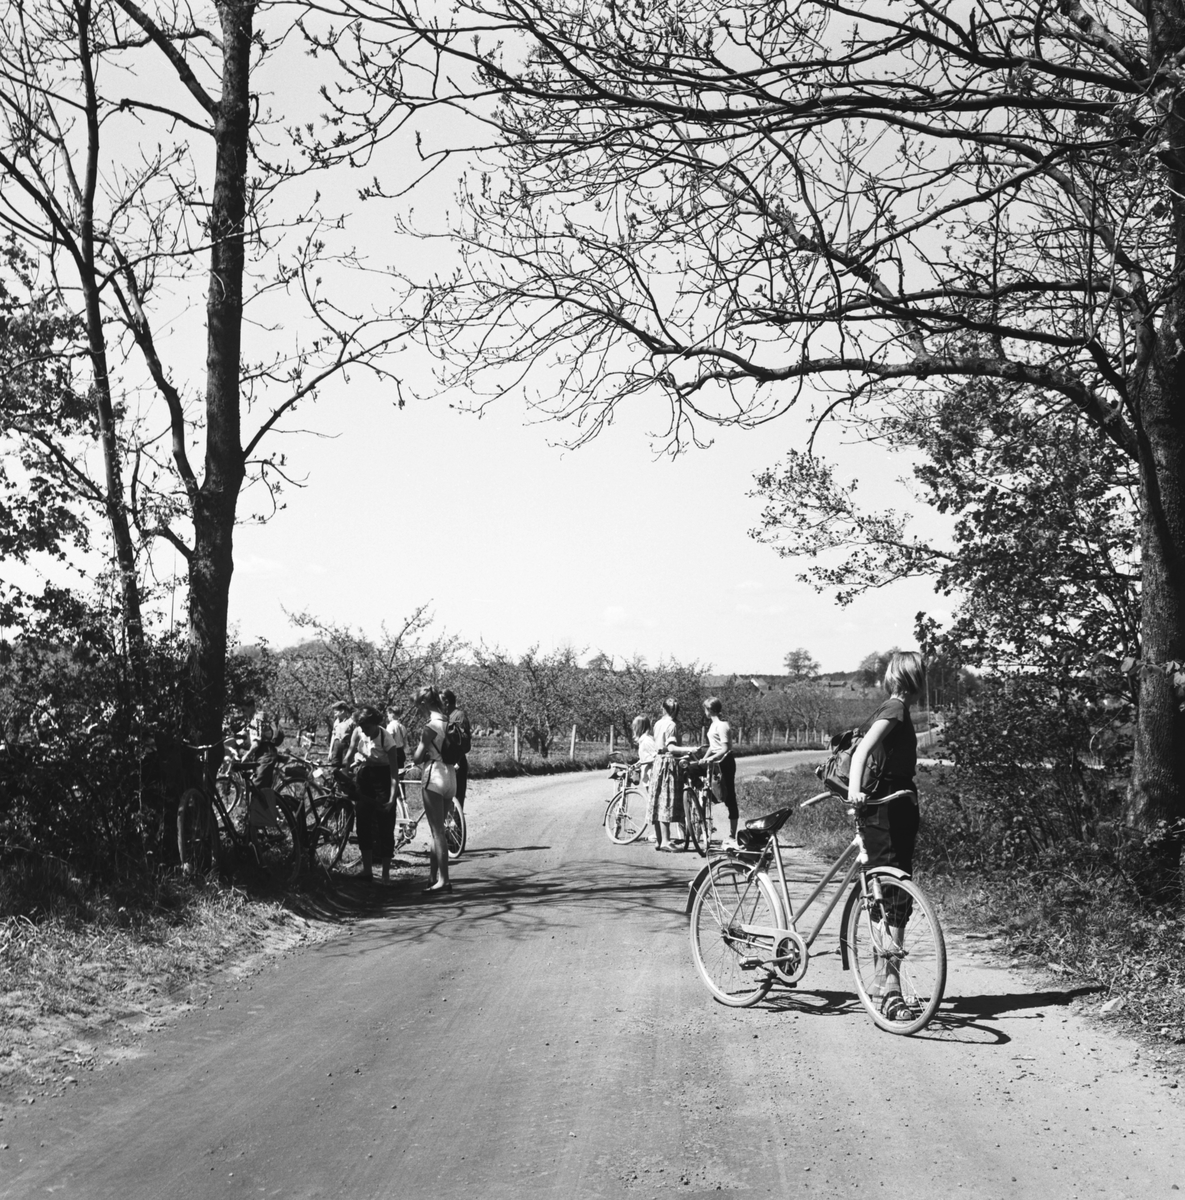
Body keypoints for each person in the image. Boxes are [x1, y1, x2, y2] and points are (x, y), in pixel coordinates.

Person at [847, 649, 926, 1020]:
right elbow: (863, 749)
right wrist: (854, 790)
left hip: (896, 806)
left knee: (892, 898)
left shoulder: (897, 709)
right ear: (913, 678)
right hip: (886, 810)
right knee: (891, 898)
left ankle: (883, 980)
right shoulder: (895, 709)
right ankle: (891, 988)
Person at [342, 705, 401, 883]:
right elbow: (349, 755)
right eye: (361, 727)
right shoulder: (358, 732)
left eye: (367, 727)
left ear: (375, 724)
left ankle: (385, 874)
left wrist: (392, 798)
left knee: (385, 825)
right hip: (365, 776)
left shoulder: (387, 739)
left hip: (383, 778)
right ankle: (367, 870)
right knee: (363, 822)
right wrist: (345, 774)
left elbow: (394, 773)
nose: (364, 730)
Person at [412, 685, 456, 893]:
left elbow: (417, 757)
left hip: (434, 775)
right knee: (437, 829)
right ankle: (432, 877)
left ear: (424, 703)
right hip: (451, 775)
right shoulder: (449, 721)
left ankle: (443, 880)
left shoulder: (430, 726)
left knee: (437, 831)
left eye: (418, 706)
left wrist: (424, 753)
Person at [648, 697, 697, 851]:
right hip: (668, 764)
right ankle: (666, 841)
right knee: (666, 801)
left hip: (658, 763)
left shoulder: (658, 723)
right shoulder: (672, 725)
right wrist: (689, 749)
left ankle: (659, 840)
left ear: (663, 709)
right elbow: (671, 748)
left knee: (657, 800)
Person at [701, 696, 738, 847]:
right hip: (715, 761)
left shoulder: (722, 725)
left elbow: (725, 748)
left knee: (729, 796)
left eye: (705, 709)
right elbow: (713, 746)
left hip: (724, 762)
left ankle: (732, 834)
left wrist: (711, 758)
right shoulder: (712, 725)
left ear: (709, 709)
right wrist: (704, 758)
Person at [441, 688, 472, 810]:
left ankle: (457, 822)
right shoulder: (444, 717)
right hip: (445, 763)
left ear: (446, 702)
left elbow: (465, 743)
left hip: (457, 763)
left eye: (439, 701)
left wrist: (457, 760)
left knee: (457, 800)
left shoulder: (459, 716)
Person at [385, 706, 411, 829]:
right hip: (401, 753)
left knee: (392, 778)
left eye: (388, 713)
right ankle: (401, 798)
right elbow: (405, 743)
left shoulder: (391, 726)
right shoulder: (402, 726)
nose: (388, 716)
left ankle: (394, 801)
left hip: (394, 752)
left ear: (392, 714)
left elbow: (388, 741)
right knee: (400, 779)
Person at [632, 714, 657, 790]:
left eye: (635, 726)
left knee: (651, 796)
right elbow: (646, 756)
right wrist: (639, 762)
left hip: (652, 775)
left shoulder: (647, 741)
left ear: (639, 728)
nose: (633, 729)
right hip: (647, 775)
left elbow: (657, 758)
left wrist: (643, 763)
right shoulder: (642, 740)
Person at [327, 701, 355, 767]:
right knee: (335, 765)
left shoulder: (351, 722)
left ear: (342, 711)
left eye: (336, 711)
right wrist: (330, 751)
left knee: (345, 766)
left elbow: (354, 738)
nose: (334, 713)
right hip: (336, 746)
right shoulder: (336, 722)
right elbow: (333, 736)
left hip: (346, 746)